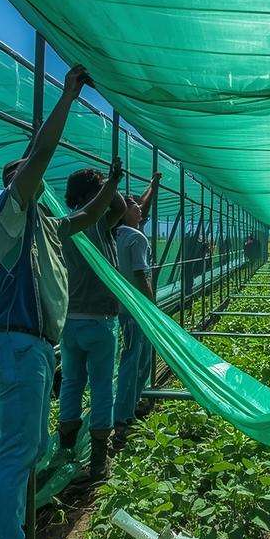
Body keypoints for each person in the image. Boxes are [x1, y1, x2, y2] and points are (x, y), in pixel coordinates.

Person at [0, 65, 121, 539]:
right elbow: (39, 156)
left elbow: (84, 218)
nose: (32, 178)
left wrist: (115, 186)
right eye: (25, 176)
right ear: (18, 184)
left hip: (36, 346)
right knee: (18, 449)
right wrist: (67, 94)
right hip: (17, 345)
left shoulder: (44, 224)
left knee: (33, 444)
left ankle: (15, 525)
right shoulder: (10, 217)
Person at [56, 163, 129, 482]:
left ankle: (66, 448)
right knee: (101, 387)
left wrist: (101, 185)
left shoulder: (63, 224)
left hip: (69, 320)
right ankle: (100, 459)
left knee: (71, 383)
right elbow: (121, 206)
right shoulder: (98, 223)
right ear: (94, 194)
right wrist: (109, 183)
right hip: (100, 321)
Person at [112, 175, 160, 440]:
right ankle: (123, 416)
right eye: (134, 207)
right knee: (135, 361)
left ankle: (128, 408)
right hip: (137, 310)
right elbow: (141, 274)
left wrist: (152, 185)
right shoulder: (136, 238)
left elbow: (142, 203)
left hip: (121, 308)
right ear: (123, 212)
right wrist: (152, 309)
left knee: (135, 359)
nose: (139, 209)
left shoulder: (111, 234)